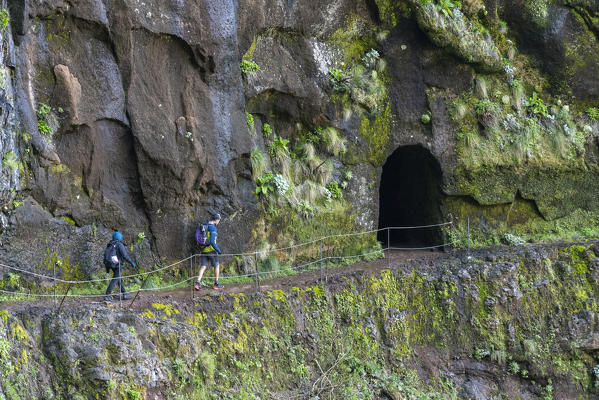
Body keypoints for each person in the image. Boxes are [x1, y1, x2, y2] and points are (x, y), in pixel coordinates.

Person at [194, 213, 224, 290]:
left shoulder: (204, 225)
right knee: (216, 266)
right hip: (211, 250)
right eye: (219, 220)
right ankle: (216, 284)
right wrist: (218, 250)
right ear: (216, 220)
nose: (219, 221)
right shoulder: (213, 228)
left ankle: (197, 283)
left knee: (203, 266)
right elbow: (212, 241)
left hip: (203, 249)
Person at [104, 231, 136, 301]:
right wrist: (131, 262)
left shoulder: (110, 244)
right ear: (119, 237)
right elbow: (125, 255)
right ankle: (107, 295)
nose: (121, 236)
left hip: (111, 264)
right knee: (115, 279)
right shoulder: (119, 244)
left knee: (119, 279)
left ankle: (125, 294)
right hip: (117, 265)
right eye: (120, 235)